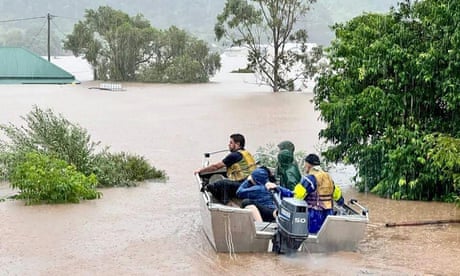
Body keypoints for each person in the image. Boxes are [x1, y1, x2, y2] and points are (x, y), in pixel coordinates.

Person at [266, 153, 344, 233]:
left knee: (310, 238)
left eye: (304, 164)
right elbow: (339, 198)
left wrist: (277, 188)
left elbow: (295, 197)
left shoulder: (309, 179)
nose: (304, 167)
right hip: (328, 215)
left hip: (314, 216)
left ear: (308, 165)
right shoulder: (328, 178)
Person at [194, 133, 256, 205]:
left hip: (243, 185)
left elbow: (216, 167)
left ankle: (225, 201)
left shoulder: (234, 155)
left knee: (223, 183)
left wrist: (200, 170)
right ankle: (212, 189)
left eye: (231, 143)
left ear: (238, 144)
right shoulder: (246, 153)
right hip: (251, 183)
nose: (229, 145)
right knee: (223, 183)